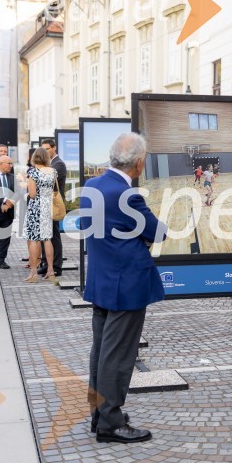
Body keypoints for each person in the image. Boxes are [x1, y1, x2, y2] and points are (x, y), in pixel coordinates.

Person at [82, 132, 167, 443]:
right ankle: (111, 423)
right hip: (127, 284)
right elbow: (157, 232)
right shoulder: (128, 195)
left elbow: (94, 229)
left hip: (102, 281)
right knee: (117, 356)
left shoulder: (92, 186)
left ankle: (99, 414)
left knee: (101, 351)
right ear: (140, 164)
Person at [23, 148, 57, 283]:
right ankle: (50, 270)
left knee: (33, 239)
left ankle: (33, 272)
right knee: (47, 239)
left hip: (36, 208)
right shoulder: (53, 171)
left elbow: (32, 194)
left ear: (34, 158)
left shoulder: (33, 172)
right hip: (47, 207)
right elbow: (53, 189)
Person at [39, 139, 66, 277]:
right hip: (45, 204)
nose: (45, 152)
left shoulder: (58, 164)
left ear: (54, 148)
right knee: (46, 235)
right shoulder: (50, 164)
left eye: (47, 149)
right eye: (43, 150)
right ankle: (46, 263)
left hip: (53, 205)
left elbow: (47, 181)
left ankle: (56, 266)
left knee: (54, 236)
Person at [0, 156, 16, 270]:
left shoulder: (12, 177)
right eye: (9, 164)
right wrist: (5, 201)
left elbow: (18, 193)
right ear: (1, 164)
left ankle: (1, 260)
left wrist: (9, 204)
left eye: (11, 164)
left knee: (5, 236)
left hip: (8, 212)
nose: (11, 166)